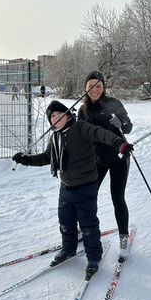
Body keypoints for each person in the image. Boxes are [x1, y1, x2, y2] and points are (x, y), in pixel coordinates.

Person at [12, 100, 133, 280]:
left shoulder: (81, 127)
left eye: (59, 114)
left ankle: (93, 258)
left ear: (67, 114)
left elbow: (101, 134)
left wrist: (119, 144)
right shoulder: (55, 137)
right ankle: (68, 249)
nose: (55, 118)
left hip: (86, 185)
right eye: (52, 117)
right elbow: (47, 157)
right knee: (66, 221)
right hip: (66, 186)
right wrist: (27, 159)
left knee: (88, 224)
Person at [78, 71, 133, 259]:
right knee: (88, 195)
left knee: (117, 197)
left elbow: (128, 127)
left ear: (103, 87)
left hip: (118, 157)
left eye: (98, 86)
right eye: (91, 86)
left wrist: (122, 122)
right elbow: (80, 135)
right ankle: (84, 229)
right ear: (85, 89)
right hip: (97, 159)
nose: (95, 89)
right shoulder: (82, 111)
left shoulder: (113, 104)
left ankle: (124, 238)